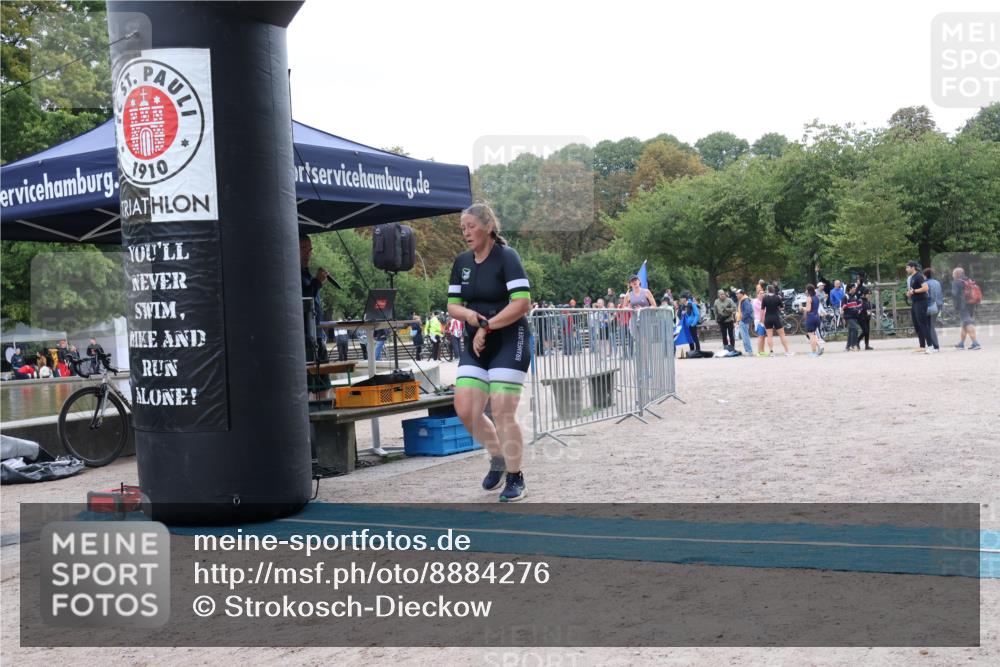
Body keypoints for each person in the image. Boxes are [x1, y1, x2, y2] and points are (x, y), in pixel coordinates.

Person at [447, 203, 532, 502]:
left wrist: (487, 326)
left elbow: (522, 303)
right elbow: (452, 305)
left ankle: (515, 476)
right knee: (465, 409)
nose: (466, 232)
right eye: (462, 228)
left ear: (487, 226)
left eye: (470, 226)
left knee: (501, 410)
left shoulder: (507, 257)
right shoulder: (462, 262)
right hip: (476, 341)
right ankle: (497, 455)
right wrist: (471, 319)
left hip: (510, 338)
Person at [300, 234, 333, 397]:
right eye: (303, 248)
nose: (308, 253)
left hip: (317, 336)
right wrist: (318, 282)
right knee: (306, 387)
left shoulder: (306, 274)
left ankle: (323, 418)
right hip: (305, 339)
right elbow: (303, 299)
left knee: (323, 386)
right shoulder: (293, 275)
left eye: (310, 249)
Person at [905, 261, 932, 353]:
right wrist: (909, 293)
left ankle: (930, 346)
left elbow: (925, 288)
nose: (906, 269)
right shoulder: (911, 278)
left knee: (923, 324)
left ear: (913, 267)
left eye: (907, 267)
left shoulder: (919, 276)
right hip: (915, 302)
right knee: (917, 324)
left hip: (921, 302)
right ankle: (922, 346)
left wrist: (914, 291)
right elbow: (913, 290)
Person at [951, 267, 981, 350]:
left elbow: (955, 294)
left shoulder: (956, 282)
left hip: (962, 305)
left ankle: (975, 343)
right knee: (965, 324)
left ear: (956, 274)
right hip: (971, 304)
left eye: (953, 273)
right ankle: (961, 344)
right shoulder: (968, 280)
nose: (952, 275)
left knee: (967, 323)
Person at [761, 285, 792, 356]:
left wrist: (761, 319)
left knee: (769, 336)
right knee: (782, 335)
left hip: (768, 318)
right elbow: (781, 308)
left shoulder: (765, 298)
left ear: (767, 290)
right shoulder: (777, 297)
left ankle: (771, 352)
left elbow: (762, 310)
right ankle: (787, 351)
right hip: (776, 317)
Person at [922, 268, 942, 353]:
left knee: (929, 326)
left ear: (925, 275)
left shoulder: (926, 283)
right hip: (938, 304)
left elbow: (929, 296)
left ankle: (934, 346)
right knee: (931, 325)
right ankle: (935, 345)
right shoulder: (937, 282)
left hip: (931, 305)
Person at [802, 284, 823, 357]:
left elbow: (808, 309)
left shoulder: (809, 298)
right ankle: (819, 346)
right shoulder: (816, 297)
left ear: (808, 290)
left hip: (810, 317)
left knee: (811, 335)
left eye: (806, 289)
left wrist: (802, 308)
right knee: (813, 334)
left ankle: (814, 352)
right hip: (817, 317)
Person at [842, 283, 862, 351]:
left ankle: (847, 347)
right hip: (848, 316)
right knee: (855, 328)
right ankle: (853, 345)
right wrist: (849, 307)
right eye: (854, 287)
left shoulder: (855, 297)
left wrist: (858, 309)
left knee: (851, 331)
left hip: (854, 316)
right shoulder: (845, 296)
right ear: (850, 288)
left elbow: (859, 304)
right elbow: (843, 306)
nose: (855, 289)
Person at [855, 278, 873, 350]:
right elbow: (859, 309)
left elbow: (868, 309)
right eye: (868, 294)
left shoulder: (868, 301)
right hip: (861, 318)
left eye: (870, 294)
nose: (869, 296)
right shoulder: (860, 301)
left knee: (867, 332)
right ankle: (857, 340)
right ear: (864, 294)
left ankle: (867, 345)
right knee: (865, 331)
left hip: (867, 318)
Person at [736, 289, 754, 355]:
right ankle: (748, 350)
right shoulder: (742, 300)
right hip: (743, 320)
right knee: (744, 336)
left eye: (738, 293)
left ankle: (749, 351)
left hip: (744, 320)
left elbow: (748, 311)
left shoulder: (745, 300)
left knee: (745, 336)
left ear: (742, 294)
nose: (736, 295)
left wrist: (742, 319)